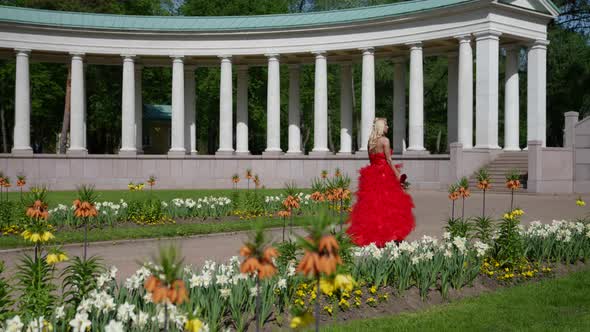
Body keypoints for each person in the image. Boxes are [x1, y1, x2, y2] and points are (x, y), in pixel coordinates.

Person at [346, 117, 415, 247]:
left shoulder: (370, 142)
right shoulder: (385, 141)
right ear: (381, 127)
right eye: (386, 125)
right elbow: (389, 160)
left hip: (371, 175)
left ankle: (372, 236)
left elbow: (371, 161)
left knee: (372, 207)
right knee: (389, 206)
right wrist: (397, 174)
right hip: (384, 175)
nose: (388, 127)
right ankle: (390, 236)